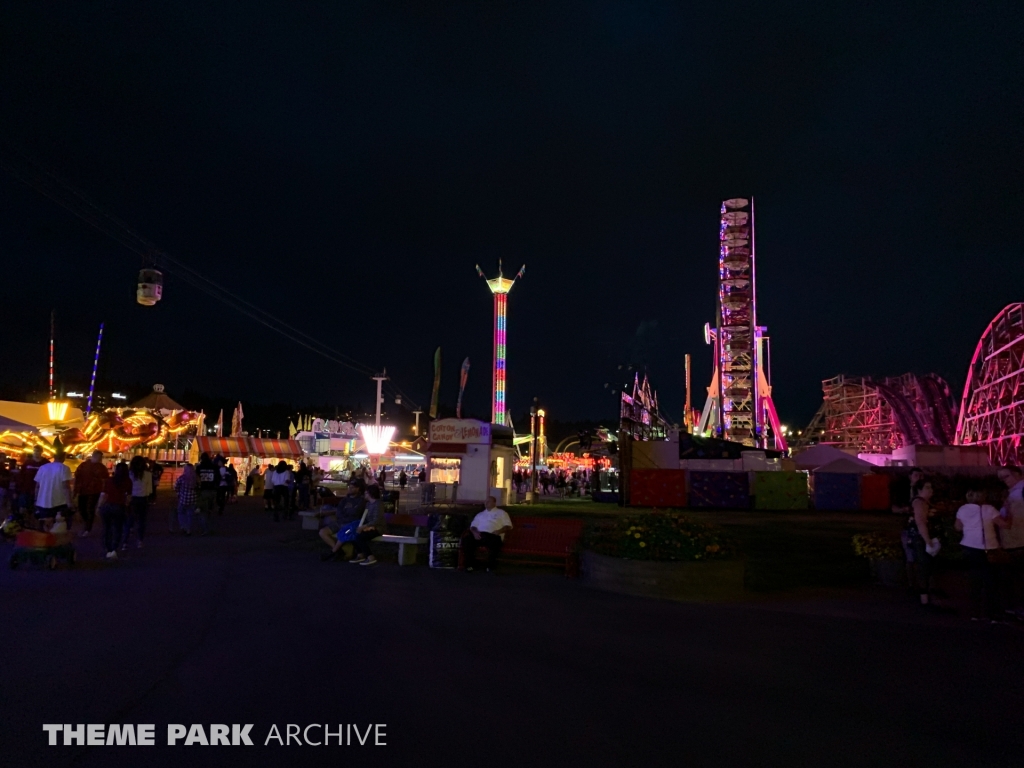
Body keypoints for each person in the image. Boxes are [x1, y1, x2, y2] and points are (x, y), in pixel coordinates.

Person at [955, 486, 1008, 622]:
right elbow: (1004, 524)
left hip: (969, 547)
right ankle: (992, 613)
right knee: (991, 581)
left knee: (974, 581)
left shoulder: (962, 509)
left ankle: (975, 613)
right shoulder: (989, 509)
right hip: (988, 548)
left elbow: (958, 527)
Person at [906, 480, 940, 607]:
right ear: (920, 490)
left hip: (923, 538)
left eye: (931, 487)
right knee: (924, 566)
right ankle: (924, 598)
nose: (930, 490)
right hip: (921, 540)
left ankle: (927, 594)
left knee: (927, 566)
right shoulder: (920, 503)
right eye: (927, 487)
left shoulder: (924, 502)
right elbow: (920, 522)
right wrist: (928, 540)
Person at [997, 465, 1024, 620]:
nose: (1003, 481)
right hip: (1015, 542)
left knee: (1017, 578)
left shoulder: (1021, 491)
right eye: (1001, 478)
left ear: (1017, 474)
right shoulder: (1014, 493)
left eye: (1006, 476)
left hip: (1018, 542)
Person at [461, 495, 513, 573]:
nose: (486, 503)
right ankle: (470, 565)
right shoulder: (480, 514)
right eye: (486, 501)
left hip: (493, 535)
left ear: (494, 503)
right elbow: (473, 526)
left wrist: (500, 531)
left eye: (489, 501)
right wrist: (475, 532)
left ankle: (490, 566)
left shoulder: (501, 513)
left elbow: (508, 526)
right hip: (479, 535)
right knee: (467, 540)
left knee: (494, 542)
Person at [318, 481, 366, 557]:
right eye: (349, 487)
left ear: (358, 489)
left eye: (352, 487)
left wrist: (346, 513)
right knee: (322, 532)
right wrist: (345, 513)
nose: (350, 489)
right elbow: (339, 512)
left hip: (350, 524)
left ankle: (335, 552)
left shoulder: (361, 501)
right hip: (340, 522)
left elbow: (355, 512)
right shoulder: (345, 500)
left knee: (343, 534)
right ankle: (338, 551)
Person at [97, 462, 132, 559]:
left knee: (107, 529)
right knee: (118, 528)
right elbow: (128, 497)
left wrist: (99, 507)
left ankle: (107, 549)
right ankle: (114, 549)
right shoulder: (128, 481)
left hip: (107, 507)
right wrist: (127, 506)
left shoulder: (109, 480)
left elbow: (104, 495)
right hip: (119, 507)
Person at [346, 484, 386, 565]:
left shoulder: (378, 504)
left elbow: (377, 520)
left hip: (378, 528)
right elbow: (366, 518)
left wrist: (364, 527)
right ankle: (360, 554)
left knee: (360, 537)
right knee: (352, 533)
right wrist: (362, 526)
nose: (364, 494)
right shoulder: (368, 504)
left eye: (366, 493)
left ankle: (370, 557)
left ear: (371, 493)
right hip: (369, 526)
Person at [899, 467, 925, 586]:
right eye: (916, 475)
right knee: (911, 556)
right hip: (908, 527)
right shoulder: (904, 490)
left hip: (921, 527)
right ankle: (912, 584)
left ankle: (922, 584)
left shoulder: (924, 491)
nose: (919, 478)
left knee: (923, 556)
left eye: (920, 475)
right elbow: (895, 506)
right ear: (910, 477)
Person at [33, 451, 72, 532]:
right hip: (59, 503)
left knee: (44, 526)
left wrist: (36, 499)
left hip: (42, 502)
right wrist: (69, 503)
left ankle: (43, 542)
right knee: (59, 527)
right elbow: (66, 487)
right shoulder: (64, 468)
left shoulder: (43, 467)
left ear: (54, 456)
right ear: (63, 457)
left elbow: (37, 486)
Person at [73, 450, 108, 538]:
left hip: (94, 491)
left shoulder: (98, 467)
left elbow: (105, 480)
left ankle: (87, 527)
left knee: (89, 509)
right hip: (85, 490)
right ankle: (87, 524)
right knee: (83, 508)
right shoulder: (85, 465)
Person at [124, 456, 153, 549]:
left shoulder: (129, 474)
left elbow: (126, 488)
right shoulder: (148, 474)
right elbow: (149, 490)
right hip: (143, 499)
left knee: (129, 520)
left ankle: (125, 542)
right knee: (141, 521)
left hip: (132, 499)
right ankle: (140, 541)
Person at [17, 445, 49, 515]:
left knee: (37, 510)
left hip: (40, 490)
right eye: (34, 451)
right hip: (26, 489)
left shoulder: (46, 463)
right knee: (23, 508)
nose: (36, 453)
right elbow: (22, 475)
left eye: (38, 451)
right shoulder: (28, 462)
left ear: (41, 452)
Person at [195, 453, 218, 536]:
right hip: (212, 490)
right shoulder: (214, 467)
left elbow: (196, 478)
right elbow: (218, 478)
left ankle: (205, 529)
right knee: (210, 510)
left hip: (203, 491)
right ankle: (210, 527)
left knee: (202, 511)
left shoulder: (199, 467)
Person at [174, 463, 199, 536]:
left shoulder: (182, 478)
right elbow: (198, 487)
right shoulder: (195, 478)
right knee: (190, 514)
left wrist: (178, 492)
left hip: (183, 498)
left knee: (181, 513)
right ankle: (189, 529)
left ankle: (183, 526)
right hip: (193, 498)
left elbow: (176, 486)